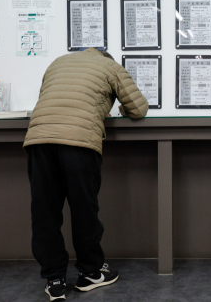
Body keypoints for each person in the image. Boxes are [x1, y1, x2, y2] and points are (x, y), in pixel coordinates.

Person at [23, 48, 149, 301]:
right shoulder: (111, 67)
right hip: (79, 141)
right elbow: (138, 108)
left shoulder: (58, 62)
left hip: (39, 139)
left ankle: (54, 280)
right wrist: (118, 109)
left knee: (45, 212)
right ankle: (91, 273)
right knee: (84, 209)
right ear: (106, 56)